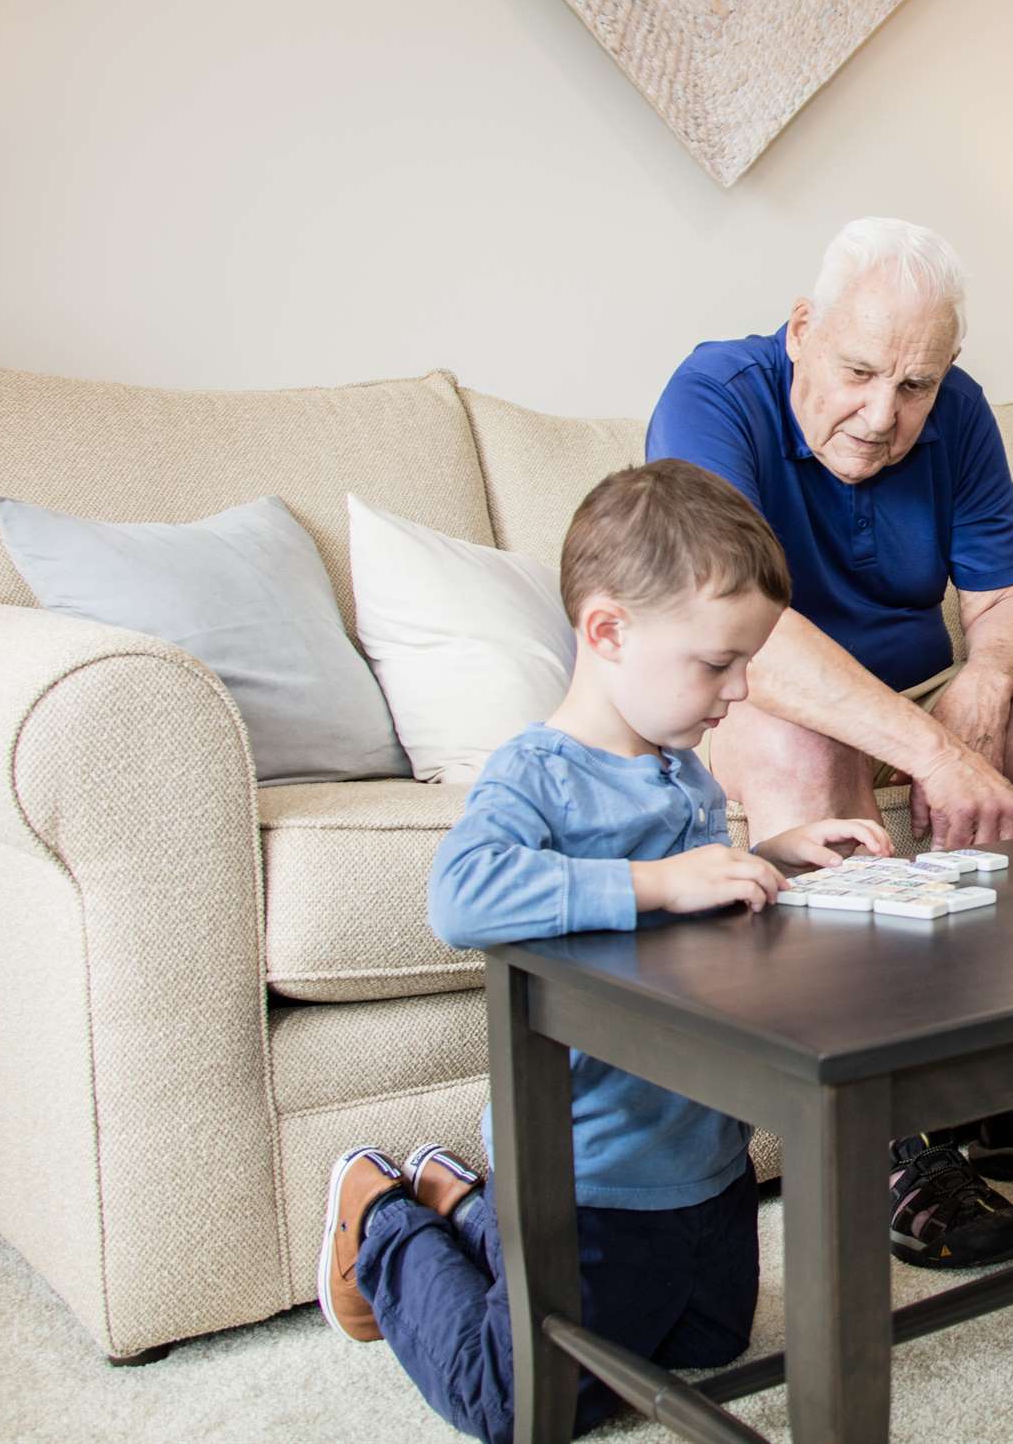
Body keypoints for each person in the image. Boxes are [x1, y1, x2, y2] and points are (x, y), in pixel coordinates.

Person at [317, 461, 893, 1443]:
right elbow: (461, 895)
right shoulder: (539, 773)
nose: (743, 688)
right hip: (590, 1174)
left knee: (713, 1347)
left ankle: (466, 1208)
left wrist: (762, 856)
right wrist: (659, 882)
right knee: (515, 1402)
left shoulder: (679, 771)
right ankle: (384, 1217)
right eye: (717, 663)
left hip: (702, 1163)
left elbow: (682, 915)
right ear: (608, 632)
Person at [646, 218, 1013, 1269]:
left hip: (916, 685)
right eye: (856, 371)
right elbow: (741, 629)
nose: (882, 415)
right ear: (802, 329)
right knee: (806, 743)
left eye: (915, 385)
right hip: (749, 700)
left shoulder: (959, 416)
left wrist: (982, 679)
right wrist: (932, 752)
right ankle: (873, 1128)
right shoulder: (711, 397)